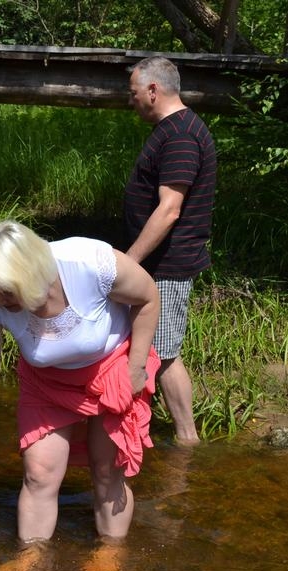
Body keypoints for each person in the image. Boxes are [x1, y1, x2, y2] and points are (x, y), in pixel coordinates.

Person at [0, 220, 161, 562]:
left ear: (31, 275)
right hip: (46, 382)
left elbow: (148, 296)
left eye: (7, 292)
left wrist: (135, 367)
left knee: (106, 469)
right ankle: (32, 556)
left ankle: (110, 552)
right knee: (38, 474)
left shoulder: (89, 263)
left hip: (111, 368)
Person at [122, 55, 217, 446]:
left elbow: (169, 210)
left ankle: (186, 438)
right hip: (158, 264)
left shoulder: (180, 135)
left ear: (153, 90)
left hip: (167, 265)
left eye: (133, 93)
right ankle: (152, 429)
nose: (130, 100)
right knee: (156, 350)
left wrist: (128, 261)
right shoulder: (174, 129)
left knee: (161, 353)